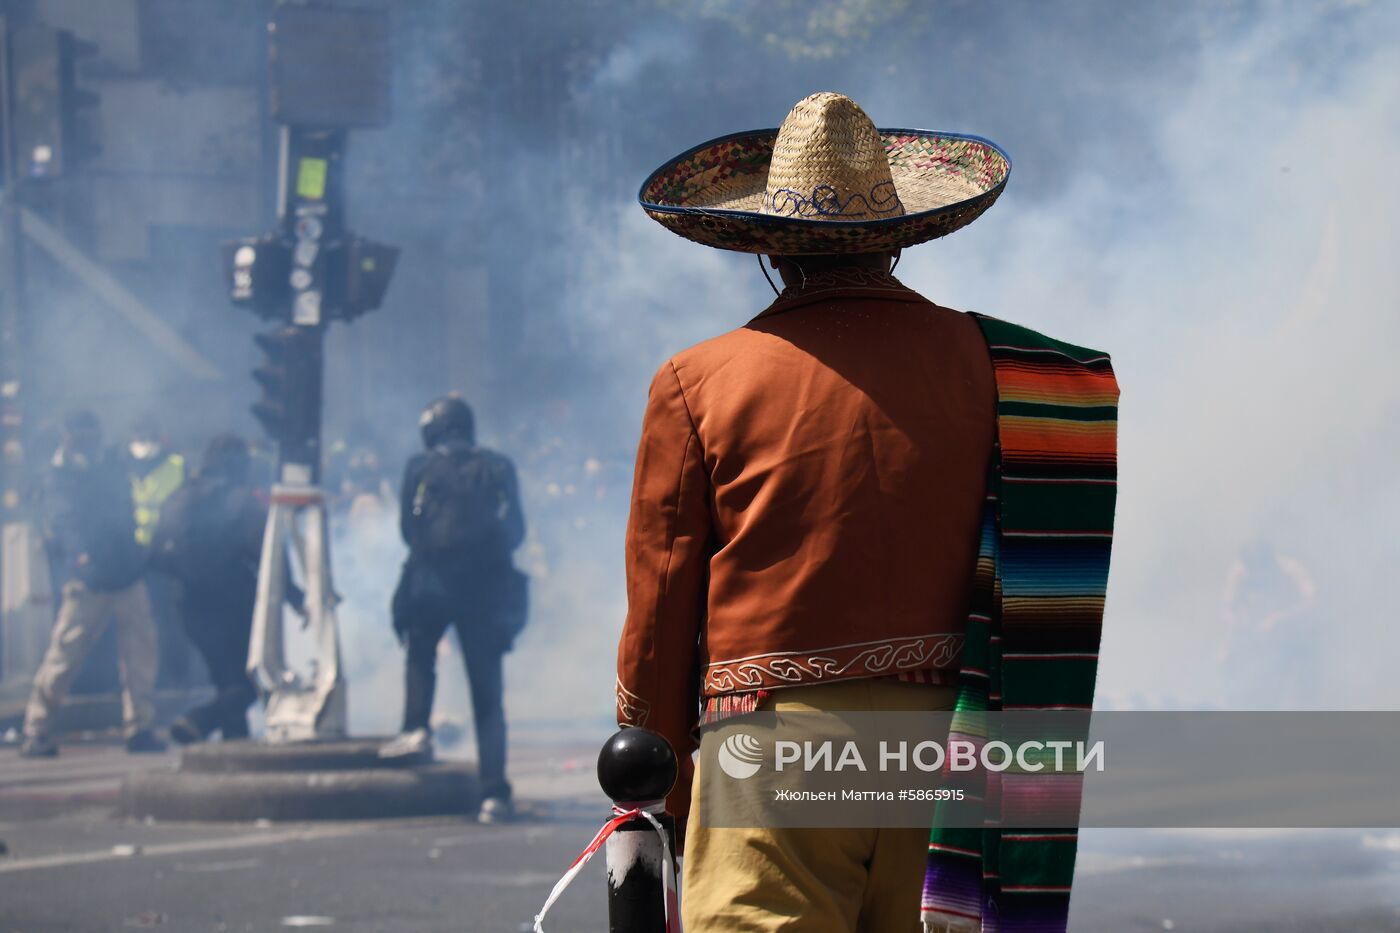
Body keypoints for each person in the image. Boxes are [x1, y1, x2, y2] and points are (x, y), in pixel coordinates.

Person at [617, 93, 1120, 932]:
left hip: (774, 757)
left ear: (768, 248)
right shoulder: (1004, 372)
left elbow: (661, 612)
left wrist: (658, 781)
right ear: (896, 238)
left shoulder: (697, 380)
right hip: (951, 752)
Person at [381, 395, 527, 825]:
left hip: (431, 583)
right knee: (487, 695)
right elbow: (516, 530)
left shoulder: (420, 465)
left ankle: (416, 729)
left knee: (420, 655)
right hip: (483, 589)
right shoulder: (498, 465)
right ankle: (494, 793)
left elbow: (408, 530)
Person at [20, 411, 166, 757]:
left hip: (127, 576)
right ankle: (37, 730)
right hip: (87, 581)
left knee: (140, 656)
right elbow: (63, 522)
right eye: (82, 437)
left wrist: (133, 554)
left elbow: (126, 507)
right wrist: (82, 558)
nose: (89, 442)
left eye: (93, 435)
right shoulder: (58, 477)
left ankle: (140, 728)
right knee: (63, 656)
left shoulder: (111, 463)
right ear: (68, 438)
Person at [148, 434, 291, 743]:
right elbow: (268, 554)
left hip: (188, 607)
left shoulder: (179, 496)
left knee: (227, 682)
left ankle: (235, 749)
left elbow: (156, 554)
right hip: (231, 607)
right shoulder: (240, 500)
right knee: (254, 682)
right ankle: (200, 719)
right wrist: (294, 594)